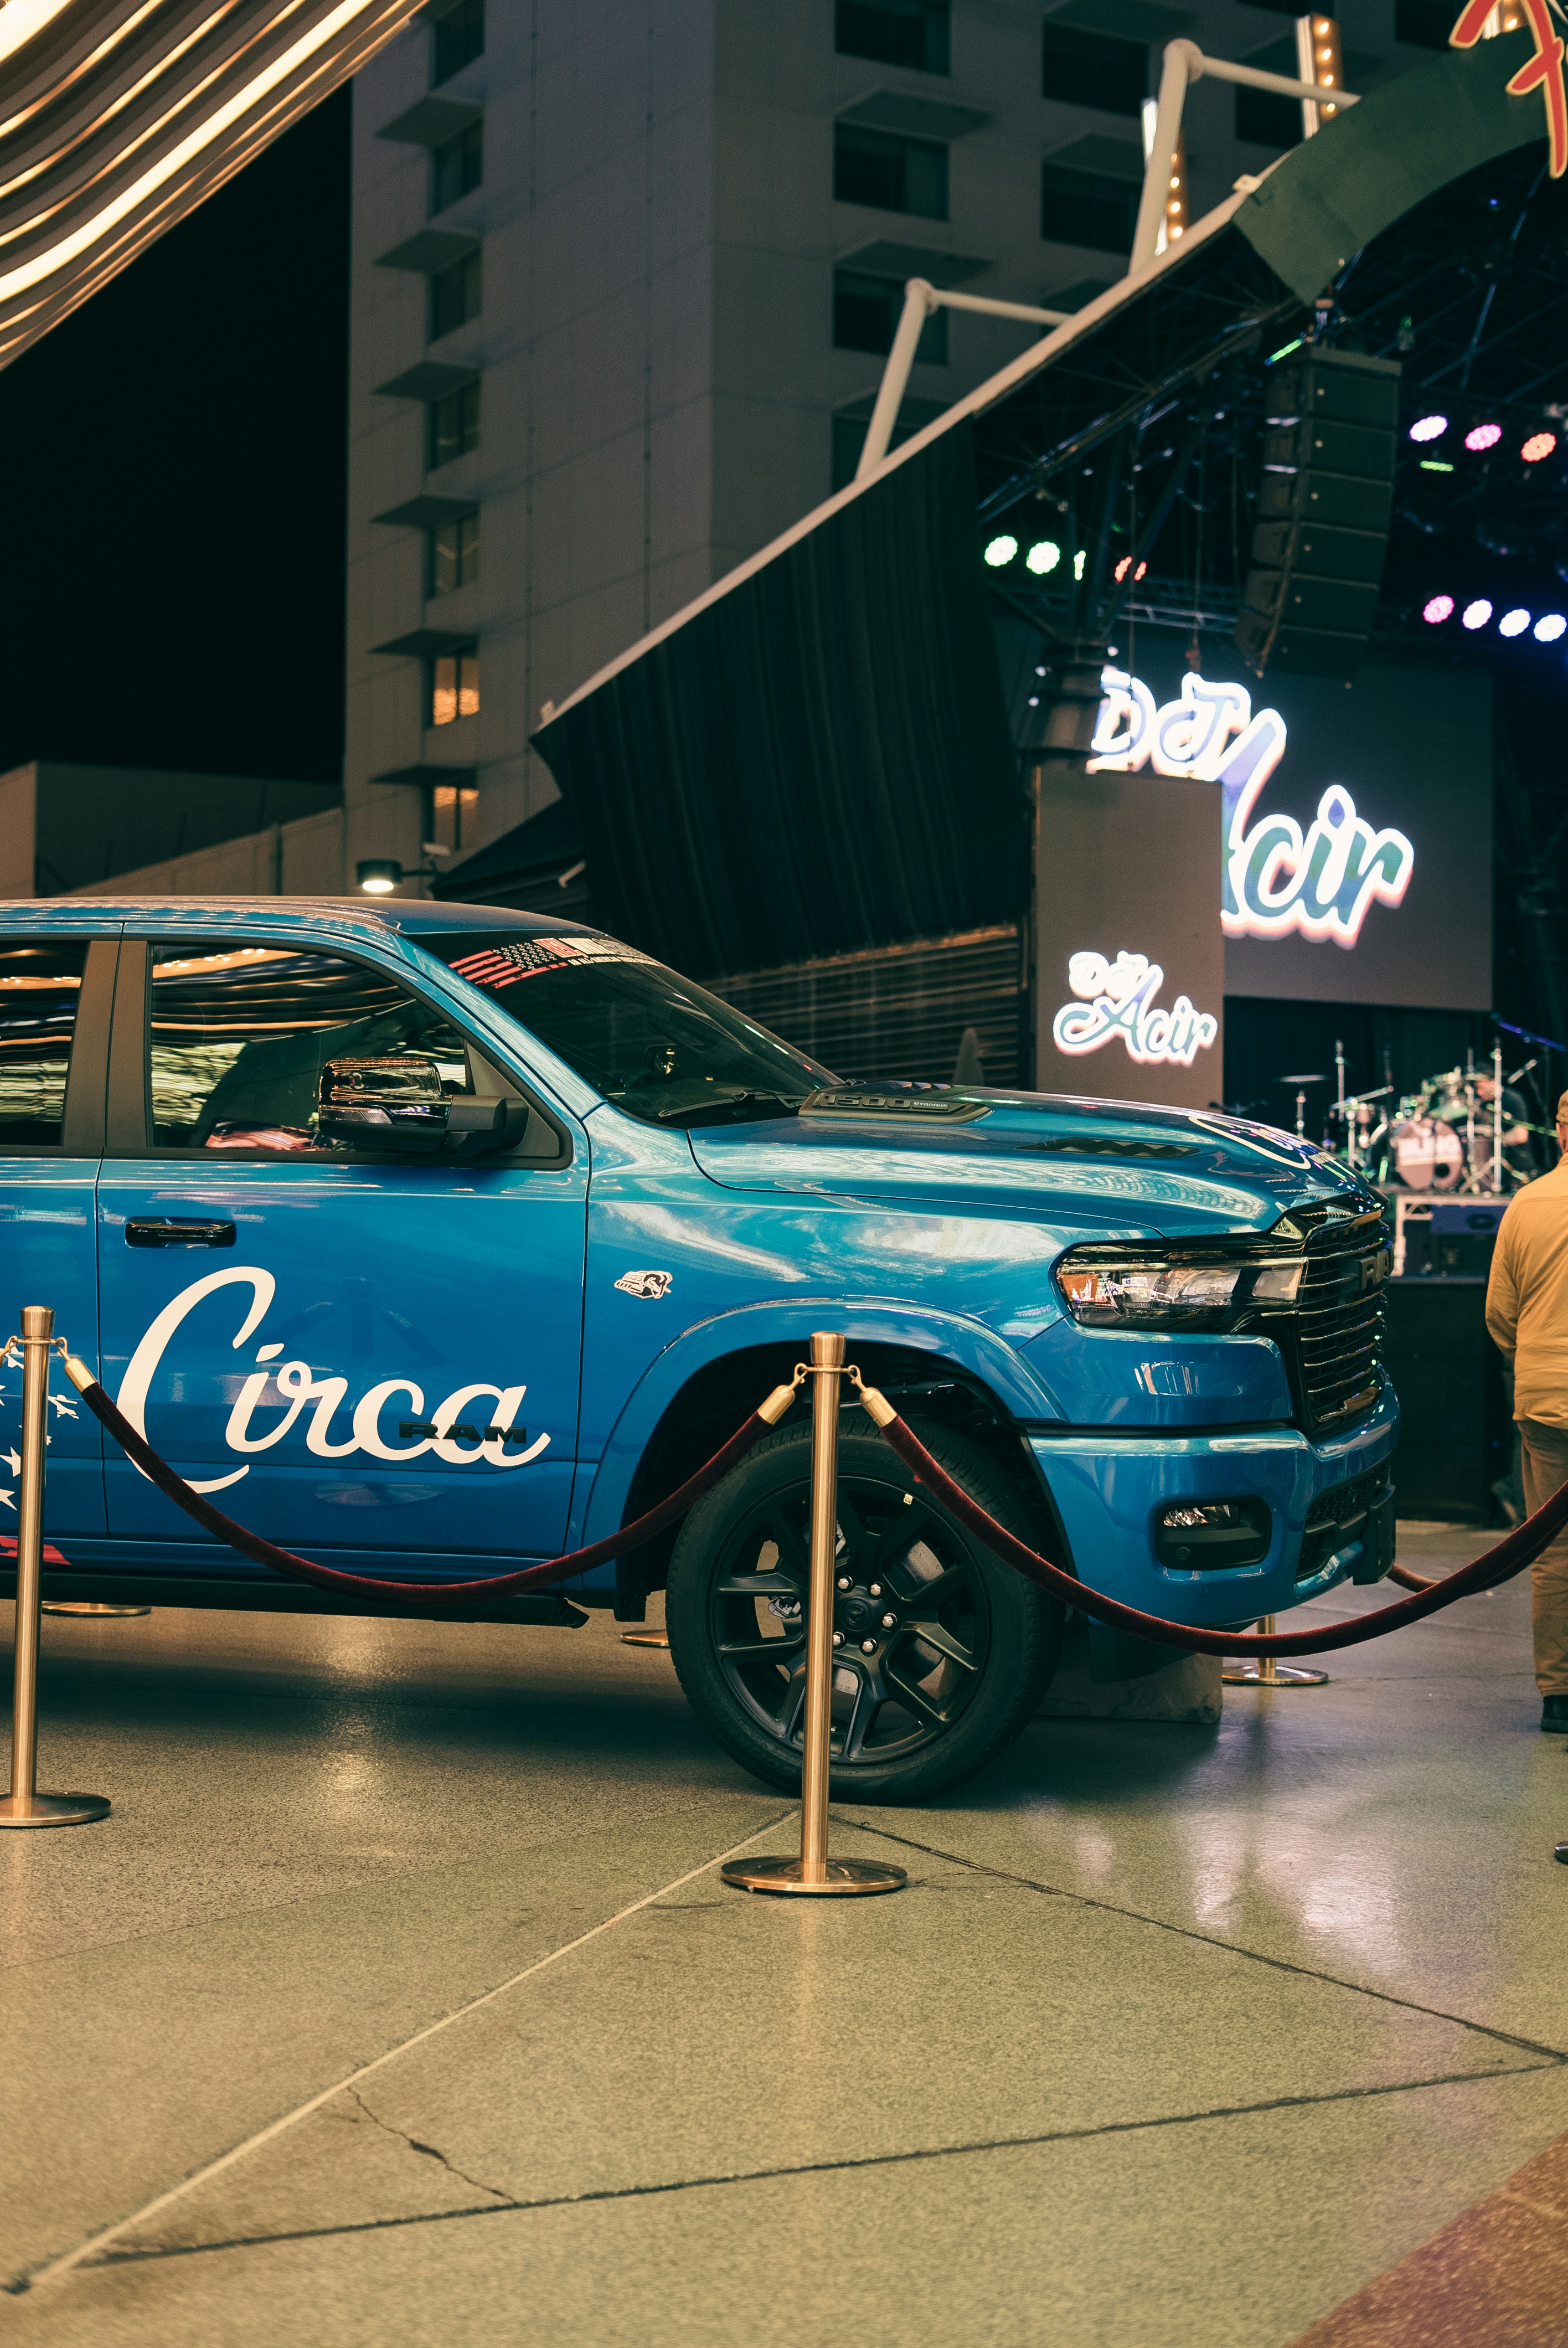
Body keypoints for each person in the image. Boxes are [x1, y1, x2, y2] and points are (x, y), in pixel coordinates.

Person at [1485, 1090, 1568, 1730]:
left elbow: (1499, 1315)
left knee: (1556, 1553)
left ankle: (1560, 1698)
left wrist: (1534, 1362)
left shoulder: (1526, 1202)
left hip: (1545, 1398)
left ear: (1561, 1132)